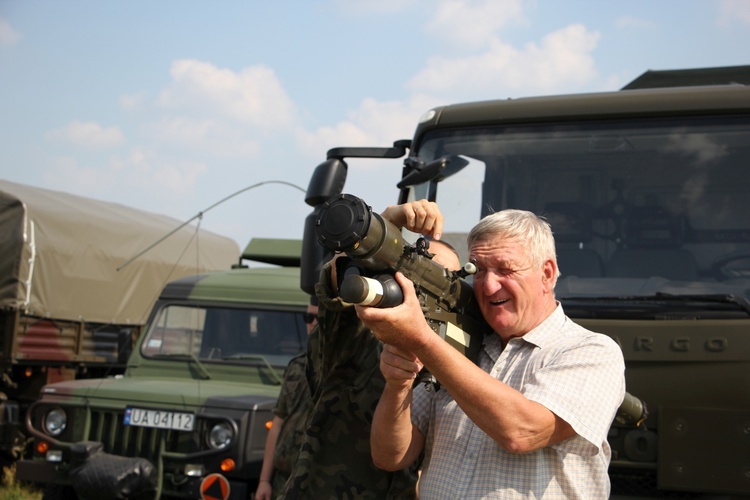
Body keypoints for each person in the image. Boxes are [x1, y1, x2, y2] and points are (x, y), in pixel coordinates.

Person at [361, 203, 626, 499]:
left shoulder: (589, 351)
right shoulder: (456, 347)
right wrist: (398, 386)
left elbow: (522, 432)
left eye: (505, 269)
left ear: (547, 274)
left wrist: (422, 340)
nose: (487, 286)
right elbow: (390, 457)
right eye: (479, 270)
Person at [278, 200, 462, 499]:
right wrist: (382, 225)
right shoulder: (361, 337)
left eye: (441, 278)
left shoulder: (469, 361)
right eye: (419, 272)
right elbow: (337, 287)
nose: (425, 288)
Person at [255, 297, 319, 500]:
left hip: (319, 483)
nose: (312, 323)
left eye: (319, 317)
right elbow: (278, 424)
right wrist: (264, 481)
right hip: (284, 479)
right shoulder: (296, 366)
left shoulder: (345, 370)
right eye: (308, 317)